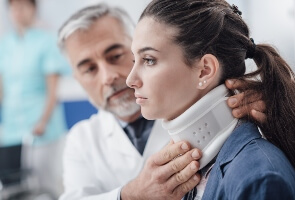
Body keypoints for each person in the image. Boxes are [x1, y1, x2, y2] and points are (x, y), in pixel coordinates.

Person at [57, 3, 267, 200]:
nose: (108, 77)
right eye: (89, 69)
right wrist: (129, 195)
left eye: (115, 56)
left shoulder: (240, 110)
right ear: (78, 80)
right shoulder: (81, 141)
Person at [126, 0, 295, 199]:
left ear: (204, 71)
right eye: (134, 60)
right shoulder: (191, 177)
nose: (130, 80)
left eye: (149, 60)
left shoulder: (259, 178)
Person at [0, 0, 68, 197]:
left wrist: (42, 121)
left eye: (22, 6)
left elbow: (53, 90)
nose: (17, 12)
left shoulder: (46, 41)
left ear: (33, 9)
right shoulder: (5, 44)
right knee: (12, 186)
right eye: (13, 8)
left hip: (41, 129)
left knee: (43, 186)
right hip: (12, 128)